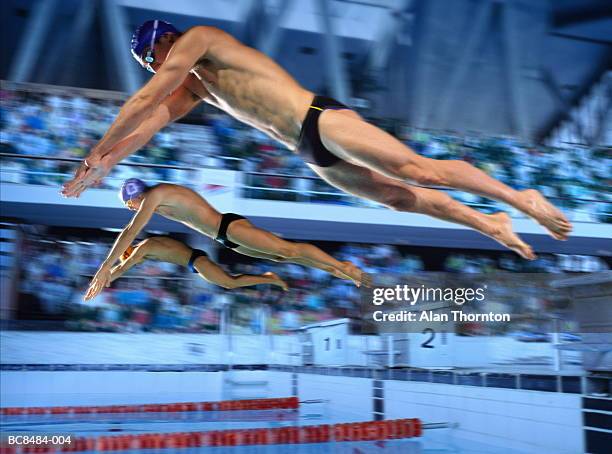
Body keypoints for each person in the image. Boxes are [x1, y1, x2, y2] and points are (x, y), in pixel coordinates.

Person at [62, 20, 572, 260]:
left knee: (418, 171)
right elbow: (150, 123)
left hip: (318, 119)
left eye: (154, 58)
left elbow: (142, 101)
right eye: (148, 64)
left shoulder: (198, 40)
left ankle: (519, 198)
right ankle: (490, 223)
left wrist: (91, 155)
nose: (155, 68)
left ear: (166, 41)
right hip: (307, 151)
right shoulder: (197, 90)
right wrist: (106, 162)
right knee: (397, 198)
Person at [84, 178, 367, 300]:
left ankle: (342, 266)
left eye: (129, 205)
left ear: (134, 198)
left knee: (287, 250)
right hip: (225, 239)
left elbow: (130, 232)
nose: (131, 209)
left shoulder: (155, 195)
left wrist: (103, 269)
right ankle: (336, 271)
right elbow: (130, 243)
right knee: (281, 256)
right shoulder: (154, 201)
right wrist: (110, 275)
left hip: (228, 228)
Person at [95, 236, 288, 300]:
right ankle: (268, 278)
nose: (135, 263)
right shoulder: (144, 250)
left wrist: (103, 280)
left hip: (197, 261)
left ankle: (269, 277)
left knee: (230, 283)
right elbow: (124, 266)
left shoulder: (143, 248)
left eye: (130, 259)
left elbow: (122, 268)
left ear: (129, 252)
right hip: (194, 263)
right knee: (229, 283)